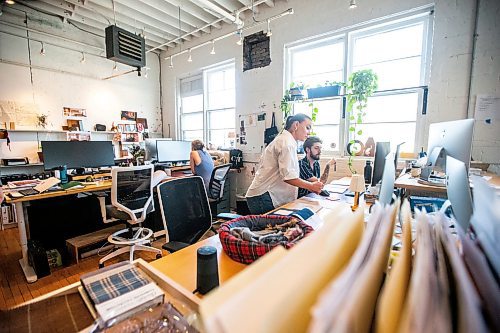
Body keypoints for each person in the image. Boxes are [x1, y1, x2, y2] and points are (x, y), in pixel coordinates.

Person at [245, 113, 324, 214]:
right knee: (269, 229)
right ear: (296, 125)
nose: (309, 132)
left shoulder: (287, 141)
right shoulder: (287, 143)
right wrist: (311, 186)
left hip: (265, 196)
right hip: (263, 197)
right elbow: (288, 176)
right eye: (307, 127)